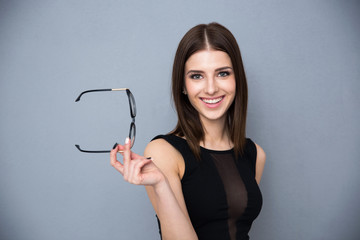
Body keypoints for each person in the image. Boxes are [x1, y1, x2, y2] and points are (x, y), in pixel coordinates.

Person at [110, 22, 266, 240]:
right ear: (183, 85)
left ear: (237, 79)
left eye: (222, 73)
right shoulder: (164, 152)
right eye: (197, 76)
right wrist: (160, 185)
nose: (211, 88)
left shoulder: (254, 154)